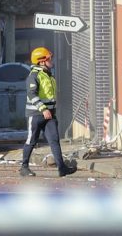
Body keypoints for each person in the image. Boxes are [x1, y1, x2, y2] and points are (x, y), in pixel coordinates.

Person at [19, 47, 77, 177]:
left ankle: (62, 168)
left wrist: (50, 109)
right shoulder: (34, 76)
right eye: (49, 59)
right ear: (41, 61)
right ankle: (24, 167)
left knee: (54, 140)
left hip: (50, 114)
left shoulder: (48, 75)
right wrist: (43, 109)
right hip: (36, 114)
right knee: (31, 140)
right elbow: (32, 94)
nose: (52, 60)